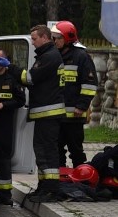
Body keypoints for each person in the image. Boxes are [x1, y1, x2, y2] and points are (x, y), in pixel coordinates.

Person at [9, 24, 66, 203]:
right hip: (45, 113)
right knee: (41, 152)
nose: (32, 43)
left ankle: (51, 190)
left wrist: (11, 68)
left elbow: (30, 78)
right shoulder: (47, 55)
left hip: (48, 113)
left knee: (48, 153)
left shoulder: (49, 57)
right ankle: (44, 187)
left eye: (34, 39)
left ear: (44, 37)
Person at [51, 21, 97, 168]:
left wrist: (82, 106)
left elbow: (89, 84)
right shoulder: (54, 56)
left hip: (74, 117)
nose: (54, 41)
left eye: (57, 38)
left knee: (76, 151)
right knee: (56, 150)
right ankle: (62, 182)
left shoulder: (81, 57)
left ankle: (81, 183)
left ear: (67, 38)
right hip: (57, 115)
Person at [0, 48, 26, 206]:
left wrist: (3, 105)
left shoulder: (11, 79)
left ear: (5, 61)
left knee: (3, 160)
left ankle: (4, 195)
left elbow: (20, 100)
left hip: (4, 125)